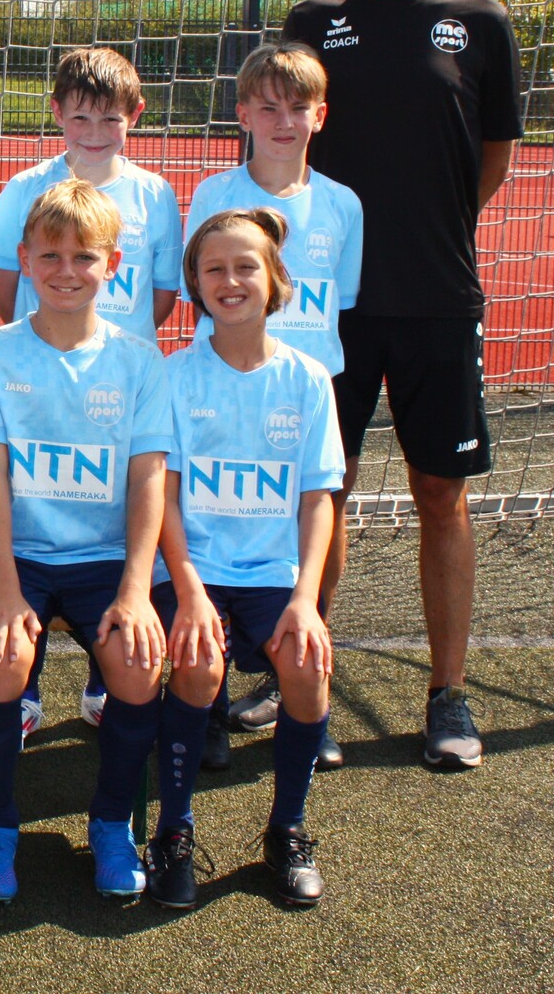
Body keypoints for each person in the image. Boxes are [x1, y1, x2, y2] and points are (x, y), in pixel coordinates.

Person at [282, 0, 522, 771]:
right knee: (323, 490)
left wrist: (433, 228)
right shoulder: (314, 21)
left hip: (435, 297)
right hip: (327, 306)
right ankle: (303, 677)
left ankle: (447, 694)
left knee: (439, 492)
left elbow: (491, 154)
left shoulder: (479, 20)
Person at [0, 179, 173, 904]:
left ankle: (112, 824)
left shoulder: (139, 360)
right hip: (18, 556)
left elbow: (148, 480)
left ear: (112, 264)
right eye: (49, 255)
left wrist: (136, 591)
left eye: (84, 256)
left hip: (105, 560)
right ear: (23, 259)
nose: (65, 270)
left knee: (137, 667)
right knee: (0, 660)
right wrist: (2, 587)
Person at [0, 46, 181, 742]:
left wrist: (112, 350)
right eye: (79, 117)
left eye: (109, 118)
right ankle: (26, 684)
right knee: (35, 501)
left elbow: (161, 293)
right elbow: (4, 287)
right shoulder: (24, 188)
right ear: (56, 114)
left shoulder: (154, 194)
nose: (94, 132)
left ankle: (104, 678)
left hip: (118, 383)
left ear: (135, 116)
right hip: (40, 381)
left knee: (116, 509)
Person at [152, 209, 342, 908]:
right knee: (200, 663)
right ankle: (172, 832)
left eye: (245, 266)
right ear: (194, 284)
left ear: (275, 277)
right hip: (191, 570)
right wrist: (189, 591)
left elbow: (317, 500)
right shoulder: (174, 376)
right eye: (214, 268)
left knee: (307, 666)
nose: (229, 280)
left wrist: (305, 599)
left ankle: (286, 829)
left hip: (270, 575)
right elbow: (163, 497)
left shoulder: (307, 378)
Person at [185, 42, 363, 771]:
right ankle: (207, 702)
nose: (283, 120)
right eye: (267, 106)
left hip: (303, 393)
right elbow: (199, 286)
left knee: (316, 515)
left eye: (297, 107)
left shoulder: (342, 204)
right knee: (213, 514)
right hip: (223, 387)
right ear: (242, 114)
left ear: (320, 116)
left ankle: (304, 689)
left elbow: (339, 300)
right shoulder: (212, 194)